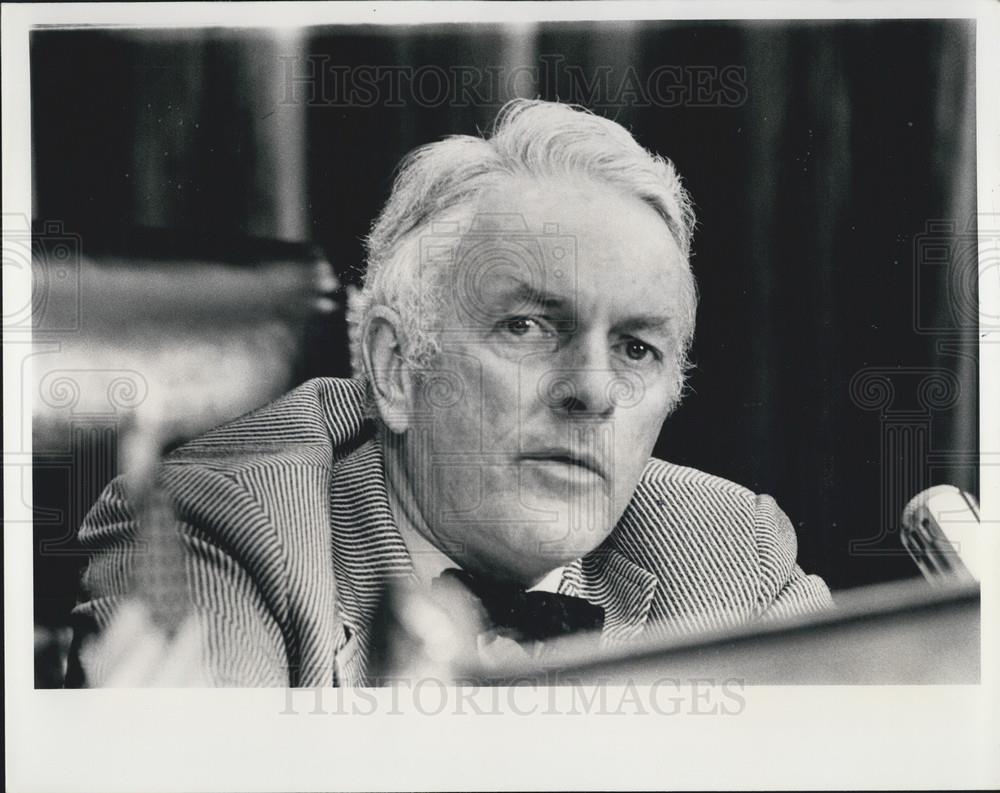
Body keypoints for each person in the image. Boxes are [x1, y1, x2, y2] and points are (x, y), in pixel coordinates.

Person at [70, 99, 832, 687]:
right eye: (529, 326)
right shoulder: (230, 529)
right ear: (397, 365)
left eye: (637, 348)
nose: (594, 390)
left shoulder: (734, 554)